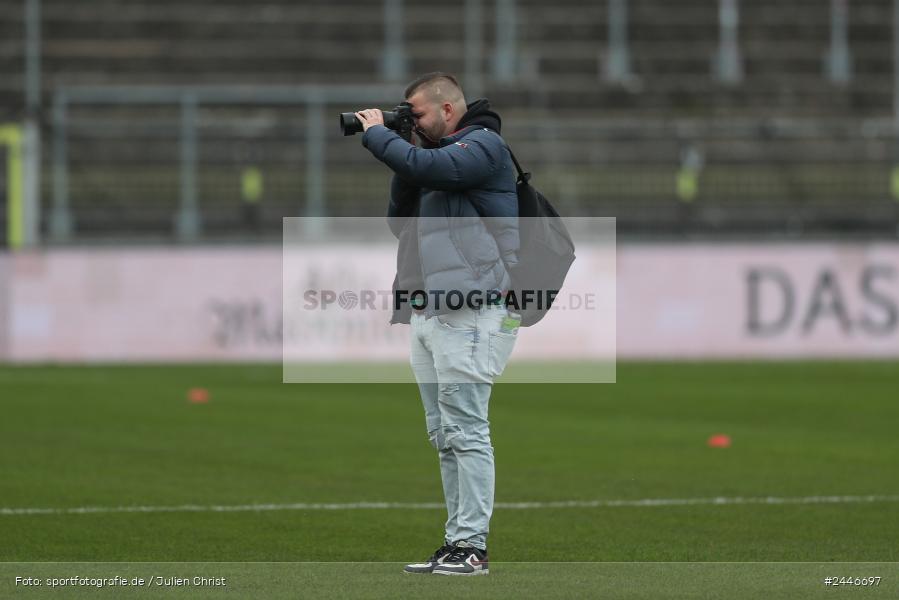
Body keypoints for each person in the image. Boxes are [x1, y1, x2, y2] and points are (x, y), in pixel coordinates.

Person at [356, 72, 519, 576]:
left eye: (418, 114)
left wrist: (380, 136)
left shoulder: (483, 146)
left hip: (473, 309)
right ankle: (455, 541)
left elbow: (432, 167)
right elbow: (397, 219)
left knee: (467, 429)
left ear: (448, 110)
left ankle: (472, 547)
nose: (413, 123)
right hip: (431, 311)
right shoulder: (433, 164)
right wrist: (402, 148)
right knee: (444, 433)